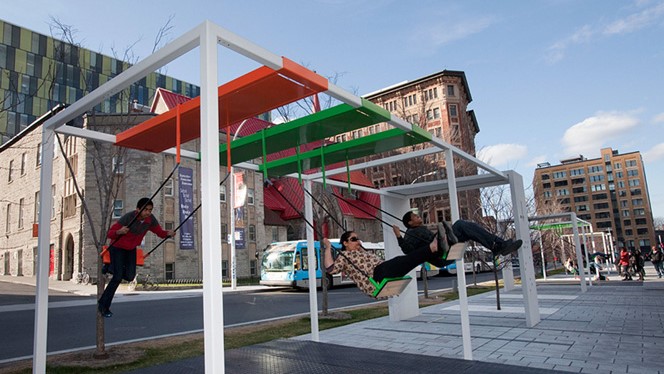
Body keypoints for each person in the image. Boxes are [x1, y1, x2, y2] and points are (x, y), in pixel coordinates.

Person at [98, 198, 174, 317]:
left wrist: (167, 234)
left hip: (131, 249)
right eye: (145, 210)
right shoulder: (128, 218)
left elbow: (159, 232)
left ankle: (110, 267)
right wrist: (119, 232)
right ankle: (103, 306)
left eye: (150, 210)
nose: (148, 212)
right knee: (117, 278)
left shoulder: (150, 220)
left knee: (129, 276)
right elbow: (110, 233)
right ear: (138, 209)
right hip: (118, 247)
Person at [323, 231, 447, 298]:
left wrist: (359, 245)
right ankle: (433, 246)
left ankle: (439, 254)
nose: (358, 241)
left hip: (383, 271)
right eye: (354, 239)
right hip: (376, 277)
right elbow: (330, 269)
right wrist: (328, 247)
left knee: (410, 261)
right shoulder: (344, 257)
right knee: (402, 260)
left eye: (358, 238)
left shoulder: (363, 251)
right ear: (345, 243)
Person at [393, 212, 523, 264]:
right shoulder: (411, 232)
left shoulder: (417, 230)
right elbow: (408, 251)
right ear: (410, 223)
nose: (418, 216)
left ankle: (497, 245)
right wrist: (398, 236)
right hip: (440, 253)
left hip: (442, 248)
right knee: (461, 225)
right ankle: (497, 245)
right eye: (414, 216)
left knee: (467, 229)